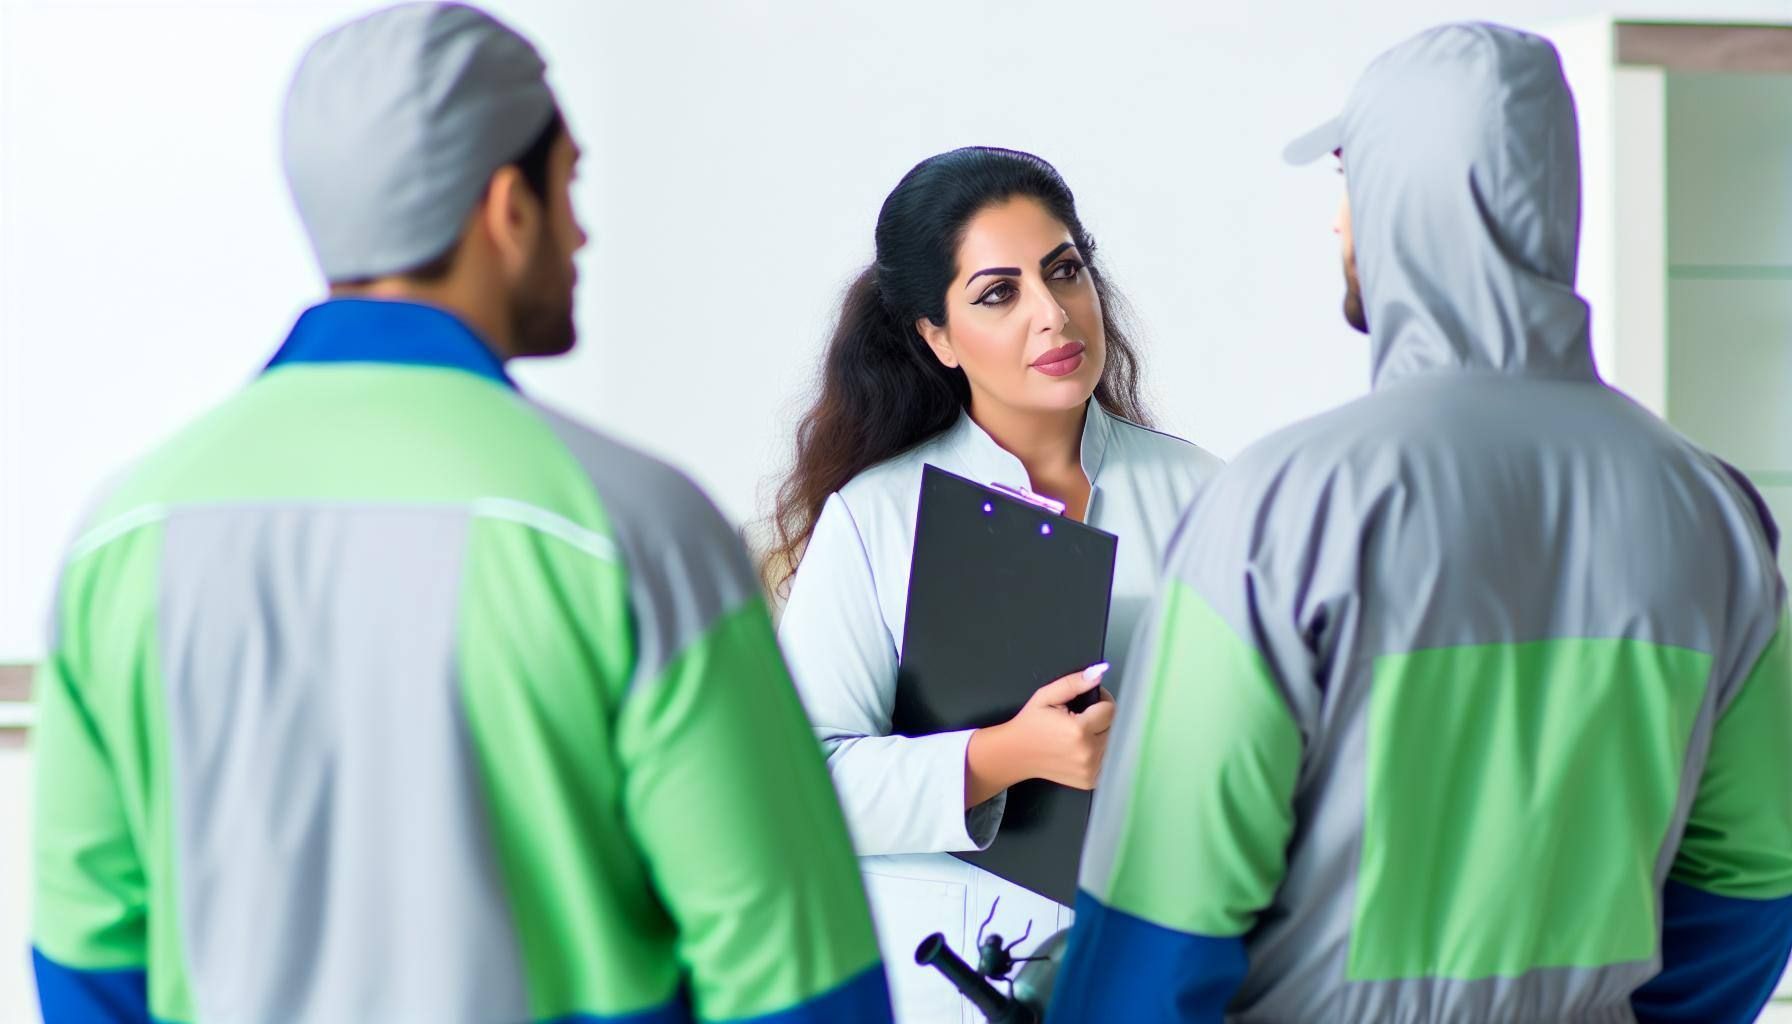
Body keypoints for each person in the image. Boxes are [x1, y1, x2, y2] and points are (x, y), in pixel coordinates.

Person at [30, 5, 892, 1023]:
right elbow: (793, 974)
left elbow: (86, 964)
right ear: (506, 207)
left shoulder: (121, 538)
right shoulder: (630, 530)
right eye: (567, 184)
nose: (582, 228)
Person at [1050, 22, 1792, 1024]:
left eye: (1349, 179)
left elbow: (1161, 911)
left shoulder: (1279, 509)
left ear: (1402, 196)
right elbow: (1754, 873)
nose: (1336, 225)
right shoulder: (1712, 514)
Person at [769, 146, 1223, 1022]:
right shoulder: (877, 518)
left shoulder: (1215, 497)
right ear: (935, 336)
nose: (1053, 315)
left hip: (1160, 966)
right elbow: (800, 786)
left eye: (1065, 271)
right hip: (951, 983)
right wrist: (1004, 755)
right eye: (997, 293)